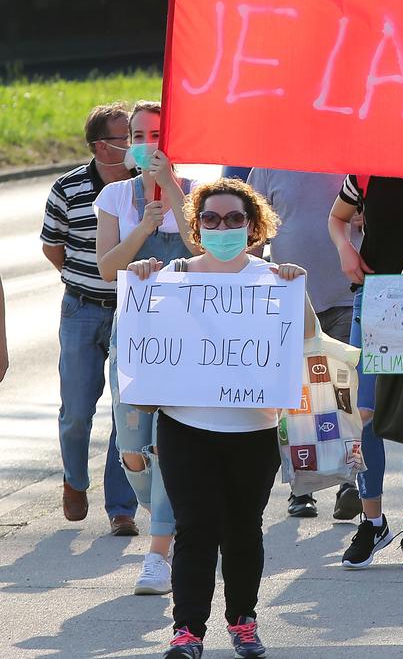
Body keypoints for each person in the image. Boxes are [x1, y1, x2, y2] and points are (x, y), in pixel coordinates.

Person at [142, 177, 317, 659]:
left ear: (253, 225)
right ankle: (187, 632)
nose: (223, 227)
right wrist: (141, 281)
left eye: (235, 218)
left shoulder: (274, 279)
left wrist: (294, 289)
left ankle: (243, 620)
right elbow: (143, 335)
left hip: (253, 429)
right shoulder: (170, 275)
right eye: (212, 219)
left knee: (243, 528)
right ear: (197, 226)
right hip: (185, 428)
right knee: (195, 527)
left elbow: (307, 338)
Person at [96, 101, 199, 594]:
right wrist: (143, 226)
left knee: (169, 443)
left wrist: (175, 195)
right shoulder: (115, 195)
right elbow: (107, 268)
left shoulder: (197, 192)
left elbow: (204, 248)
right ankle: (163, 508)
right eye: (138, 134)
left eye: (156, 133)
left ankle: (158, 554)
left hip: (188, 339)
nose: (146, 141)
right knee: (134, 446)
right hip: (135, 335)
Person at [330, 175, 403, 570]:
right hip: (375, 294)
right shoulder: (365, 171)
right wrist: (346, 248)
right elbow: (337, 217)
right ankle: (372, 520)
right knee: (363, 416)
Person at [40, 102, 139, 530]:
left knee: (128, 411)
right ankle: (74, 480)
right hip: (81, 308)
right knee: (77, 411)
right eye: (125, 138)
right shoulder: (69, 188)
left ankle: (121, 508)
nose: (134, 145)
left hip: (133, 314)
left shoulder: (144, 186)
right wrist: (81, 277)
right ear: (102, 146)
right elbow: (51, 245)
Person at [247, 168, 364, 521]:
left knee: (344, 397)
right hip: (291, 300)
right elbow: (253, 232)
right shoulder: (267, 167)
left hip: (347, 295)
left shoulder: (356, 161)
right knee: (295, 399)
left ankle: (349, 480)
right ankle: (302, 487)